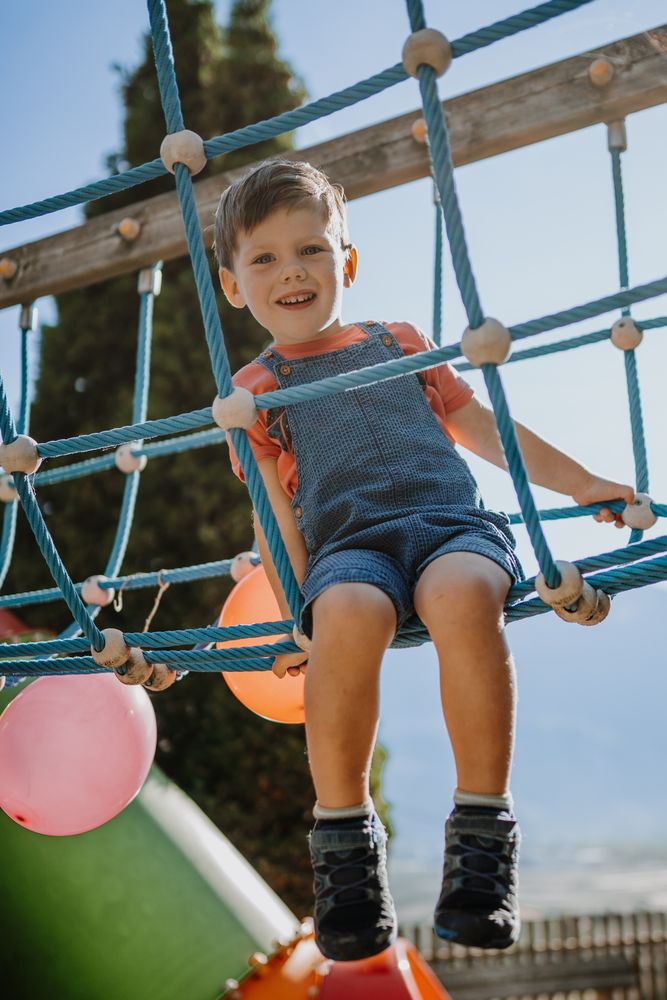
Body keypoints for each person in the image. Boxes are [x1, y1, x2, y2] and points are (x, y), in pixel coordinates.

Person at [215, 159, 634, 961]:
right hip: (349, 553)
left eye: (310, 249)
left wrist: (581, 482)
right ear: (233, 286)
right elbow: (271, 513)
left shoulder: (397, 343)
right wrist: (296, 607)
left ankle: (481, 832)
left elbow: (482, 429)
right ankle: (343, 847)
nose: (291, 271)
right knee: (342, 615)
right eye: (262, 258)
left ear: (349, 261)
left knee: (465, 595)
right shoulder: (254, 393)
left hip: (449, 529)